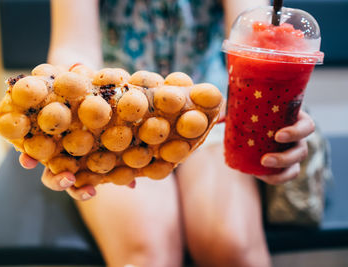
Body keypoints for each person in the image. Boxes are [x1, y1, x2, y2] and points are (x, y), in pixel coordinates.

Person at [19, 0, 316, 266]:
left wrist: (268, 116)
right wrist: (64, 107)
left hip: (212, 115)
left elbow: (251, 31)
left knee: (232, 247)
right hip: (113, 119)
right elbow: (74, 44)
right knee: (146, 252)